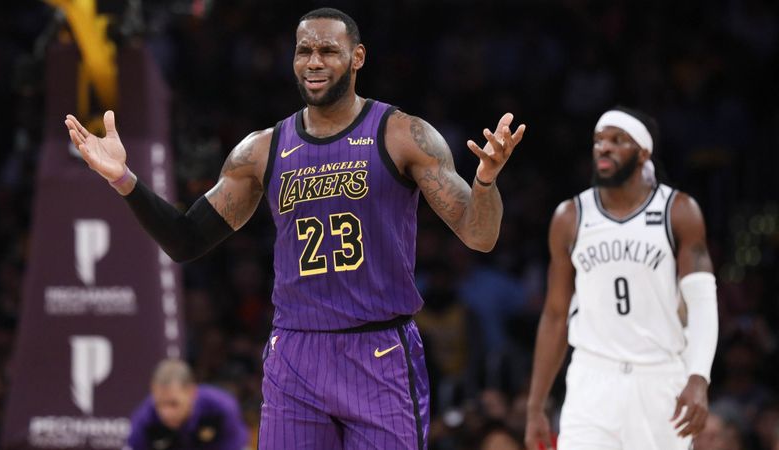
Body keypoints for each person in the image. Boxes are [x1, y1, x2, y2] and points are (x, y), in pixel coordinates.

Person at [64, 7, 526, 449]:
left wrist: (484, 181)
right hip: (296, 354)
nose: (314, 62)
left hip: (378, 349)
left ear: (357, 57)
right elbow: (186, 240)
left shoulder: (402, 134)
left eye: (328, 51)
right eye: (304, 51)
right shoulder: (262, 149)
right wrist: (124, 180)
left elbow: (478, 236)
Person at [524, 107, 718, 450]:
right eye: (599, 140)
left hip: (659, 377)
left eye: (618, 140)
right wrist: (535, 405)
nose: (605, 148)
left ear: (643, 152)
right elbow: (555, 315)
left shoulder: (679, 211)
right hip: (592, 378)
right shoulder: (570, 216)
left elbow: (702, 303)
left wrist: (698, 376)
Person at [126, 358, 249, 450]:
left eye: (173, 404)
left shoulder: (221, 409)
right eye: (159, 404)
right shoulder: (145, 419)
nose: (166, 413)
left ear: (191, 392)